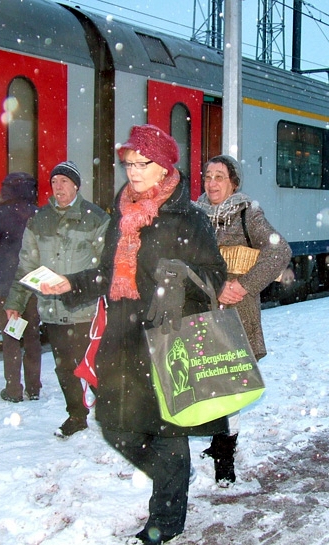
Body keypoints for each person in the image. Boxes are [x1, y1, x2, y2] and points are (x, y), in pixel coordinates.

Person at [39, 125, 228, 544]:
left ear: (164, 167)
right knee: (115, 427)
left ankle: (165, 519)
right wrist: (69, 284)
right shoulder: (122, 214)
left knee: (166, 430)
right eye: (129, 164)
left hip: (168, 335)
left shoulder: (189, 217)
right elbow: (108, 274)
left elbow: (215, 276)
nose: (134, 172)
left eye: (143, 164)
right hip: (123, 336)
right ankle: (173, 478)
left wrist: (183, 278)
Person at [196, 155, 292, 487]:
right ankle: (217, 441)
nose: (212, 183)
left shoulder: (246, 212)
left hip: (236, 310)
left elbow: (280, 252)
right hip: (202, 307)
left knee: (229, 383)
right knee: (209, 378)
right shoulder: (196, 215)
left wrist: (243, 285)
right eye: (208, 176)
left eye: (219, 176)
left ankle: (225, 455)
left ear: (234, 182)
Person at [4, 161, 110, 437]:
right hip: (53, 310)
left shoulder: (96, 218)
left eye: (64, 181)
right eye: (54, 182)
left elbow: (106, 268)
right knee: (65, 368)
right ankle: (76, 415)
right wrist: (15, 303)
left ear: (76, 185)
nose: (58, 187)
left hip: (86, 309)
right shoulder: (39, 220)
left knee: (94, 365)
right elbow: (26, 266)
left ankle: (112, 415)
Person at [0, 172, 42, 403]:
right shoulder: (38, 214)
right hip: (32, 284)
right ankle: (34, 388)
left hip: (7, 285)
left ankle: (13, 389)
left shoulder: (1, 213)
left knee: (11, 337)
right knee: (32, 337)